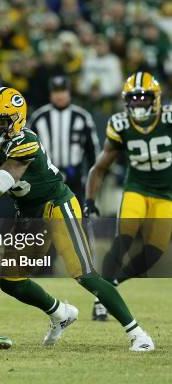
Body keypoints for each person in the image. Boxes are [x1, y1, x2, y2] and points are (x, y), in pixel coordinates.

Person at [0, 86, 155, 352]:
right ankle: (61, 314)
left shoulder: (24, 142)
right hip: (28, 213)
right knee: (11, 282)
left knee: (85, 275)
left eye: (0, 122)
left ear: (15, 121)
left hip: (56, 206)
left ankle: (139, 334)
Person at [84, 72, 171, 321]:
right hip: (137, 188)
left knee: (152, 254)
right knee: (124, 239)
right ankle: (101, 299)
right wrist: (90, 200)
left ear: (156, 99)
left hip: (166, 194)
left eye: (144, 98)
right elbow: (99, 168)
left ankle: (111, 283)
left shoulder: (168, 119)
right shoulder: (121, 125)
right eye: (133, 99)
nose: (139, 103)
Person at [29, 76, 100, 202]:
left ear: (69, 93)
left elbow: (92, 149)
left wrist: (93, 177)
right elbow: (28, 148)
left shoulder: (82, 117)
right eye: (56, 92)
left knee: (77, 216)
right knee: (46, 217)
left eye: (63, 91)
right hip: (46, 176)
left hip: (75, 176)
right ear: (50, 94)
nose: (60, 96)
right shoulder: (38, 117)